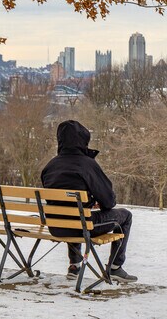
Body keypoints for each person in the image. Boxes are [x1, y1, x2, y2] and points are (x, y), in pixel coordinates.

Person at [41, 120, 137, 282]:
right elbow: (109, 201)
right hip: (84, 226)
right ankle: (115, 267)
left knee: (71, 216)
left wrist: (88, 202)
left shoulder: (50, 166)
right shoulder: (87, 165)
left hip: (56, 227)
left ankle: (74, 265)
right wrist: (95, 202)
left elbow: (60, 200)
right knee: (125, 216)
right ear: (83, 141)